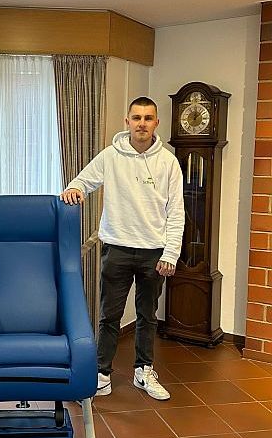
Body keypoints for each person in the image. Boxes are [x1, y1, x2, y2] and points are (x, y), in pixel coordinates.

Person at [61, 96, 184, 401]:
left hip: (154, 253)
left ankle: (144, 371)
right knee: (109, 317)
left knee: (147, 316)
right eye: (136, 118)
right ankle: (101, 374)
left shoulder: (168, 162)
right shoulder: (110, 156)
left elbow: (176, 212)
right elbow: (82, 181)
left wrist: (170, 253)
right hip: (116, 249)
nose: (142, 123)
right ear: (127, 122)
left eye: (148, 118)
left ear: (156, 123)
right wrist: (75, 188)